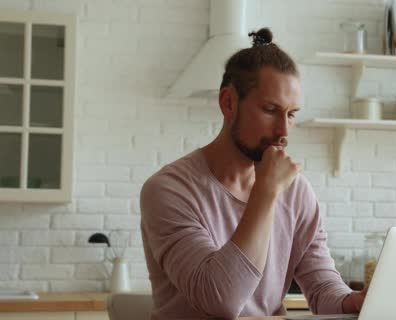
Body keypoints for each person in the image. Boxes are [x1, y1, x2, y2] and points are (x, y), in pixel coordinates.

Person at [140, 28, 366, 320]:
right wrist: (267, 191)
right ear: (228, 103)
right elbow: (220, 300)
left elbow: (323, 291)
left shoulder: (296, 191)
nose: (283, 131)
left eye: (292, 114)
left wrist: (355, 301)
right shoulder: (169, 190)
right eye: (270, 110)